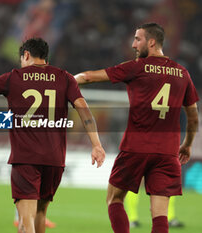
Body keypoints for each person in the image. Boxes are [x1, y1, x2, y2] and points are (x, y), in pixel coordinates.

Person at [0, 38, 106, 233]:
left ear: (26, 55)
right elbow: (84, 110)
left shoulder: (14, 77)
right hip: (54, 160)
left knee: (26, 222)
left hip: (25, 158)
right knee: (40, 214)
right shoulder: (65, 77)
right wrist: (97, 145)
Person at [75, 22, 199, 233]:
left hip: (135, 148)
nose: (133, 44)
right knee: (160, 214)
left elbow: (88, 77)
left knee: (114, 199)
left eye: (137, 39)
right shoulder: (182, 73)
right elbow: (193, 116)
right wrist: (187, 145)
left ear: (151, 42)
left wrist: (64, 82)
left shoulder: (136, 67)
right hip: (168, 152)